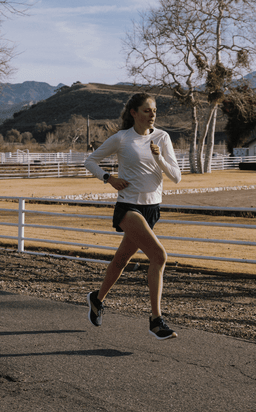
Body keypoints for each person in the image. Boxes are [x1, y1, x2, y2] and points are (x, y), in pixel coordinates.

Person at [83, 92, 182, 340]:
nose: (152, 115)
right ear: (134, 113)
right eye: (147, 110)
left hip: (152, 208)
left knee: (122, 259)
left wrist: (159, 158)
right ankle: (155, 320)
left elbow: (176, 176)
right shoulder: (122, 138)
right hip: (128, 207)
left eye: (155, 110)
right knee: (159, 256)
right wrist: (109, 179)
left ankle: (97, 298)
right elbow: (91, 161)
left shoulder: (162, 137)